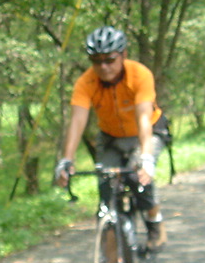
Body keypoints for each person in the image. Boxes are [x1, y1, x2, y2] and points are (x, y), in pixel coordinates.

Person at [53, 25, 169, 249]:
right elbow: (77, 120)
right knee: (106, 197)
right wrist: (67, 159)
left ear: (123, 55)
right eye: (96, 61)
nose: (103, 67)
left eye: (109, 59)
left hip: (146, 132)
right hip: (111, 136)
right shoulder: (86, 82)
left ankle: (155, 223)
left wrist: (146, 158)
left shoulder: (140, 75)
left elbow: (143, 117)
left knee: (139, 178)